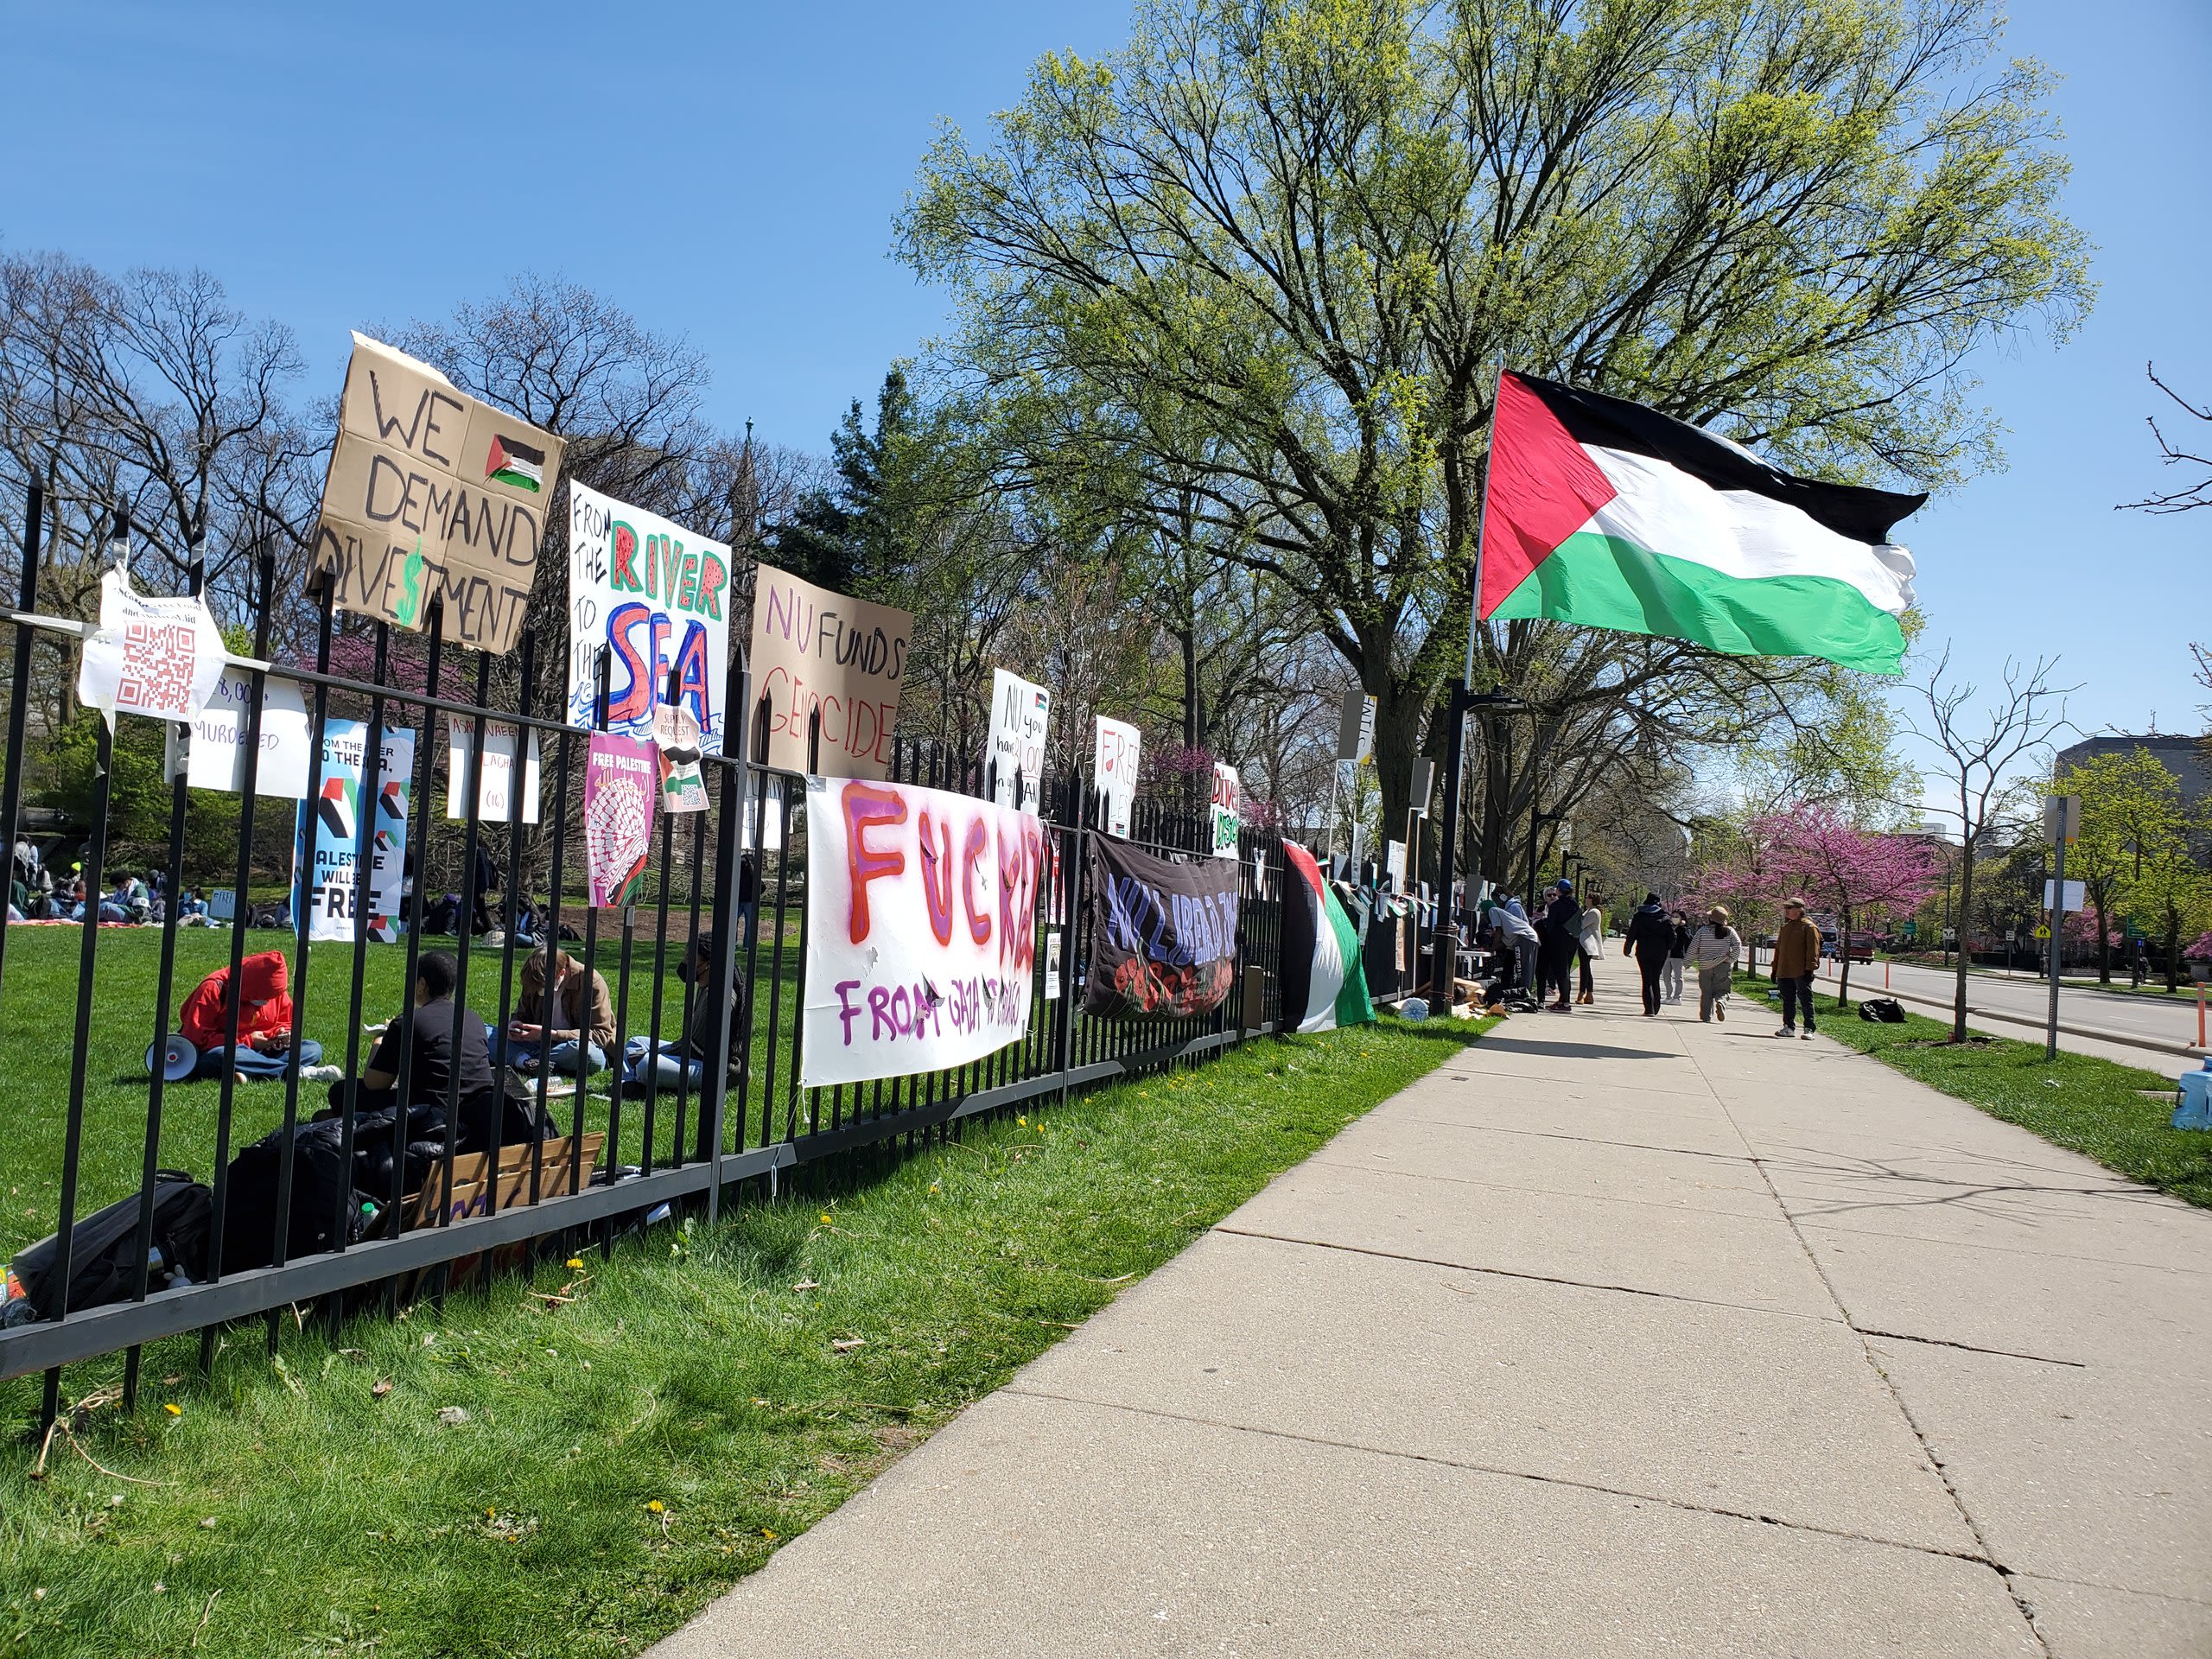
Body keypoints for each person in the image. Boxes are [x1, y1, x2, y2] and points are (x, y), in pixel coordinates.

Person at [329, 950, 498, 1135]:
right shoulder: (473, 1018)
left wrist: (379, 1038)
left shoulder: (408, 1021)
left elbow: (374, 1083)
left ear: (422, 984)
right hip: (476, 1109)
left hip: (429, 1112)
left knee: (341, 1091)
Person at [177, 950, 327, 1080]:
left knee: (313, 1049)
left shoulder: (275, 991)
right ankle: (292, 1072)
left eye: (270, 998)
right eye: (263, 997)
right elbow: (197, 1039)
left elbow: (286, 1021)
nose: (266, 1002)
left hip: (262, 1050)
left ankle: (252, 1070)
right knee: (222, 1057)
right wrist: (249, 1040)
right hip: (225, 1050)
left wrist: (282, 1033)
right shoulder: (213, 988)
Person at [622, 929, 742, 1092]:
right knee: (636, 1042)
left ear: (708, 964)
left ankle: (637, 1081)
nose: (685, 962)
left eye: (690, 958)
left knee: (646, 1064)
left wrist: (655, 1054)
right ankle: (631, 1082)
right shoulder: (706, 986)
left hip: (714, 1069)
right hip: (693, 1055)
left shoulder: (719, 998)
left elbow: (696, 1050)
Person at [492, 946, 615, 1077]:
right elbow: (522, 1015)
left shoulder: (590, 981)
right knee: (482, 1032)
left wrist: (553, 1035)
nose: (538, 992)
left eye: (542, 989)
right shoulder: (534, 979)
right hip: (537, 1043)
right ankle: (530, 1062)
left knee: (585, 1052)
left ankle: (520, 1058)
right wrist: (515, 1025)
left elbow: (602, 1034)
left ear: (561, 974)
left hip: (570, 1046)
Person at [1771, 896, 1821, 1039]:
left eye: (1790, 908)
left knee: (1806, 999)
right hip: (1784, 970)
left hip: (1801, 971)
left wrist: (1809, 969)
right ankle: (1788, 1027)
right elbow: (1779, 951)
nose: (1786, 911)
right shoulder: (1786, 928)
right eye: (1785, 908)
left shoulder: (1809, 927)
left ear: (1799, 909)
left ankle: (1809, 1028)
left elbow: (1813, 950)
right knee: (1788, 1000)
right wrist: (1775, 969)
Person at [1688, 906, 1743, 1022]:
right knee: (1723, 990)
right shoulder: (1729, 931)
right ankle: (1721, 1002)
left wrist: (1688, 962)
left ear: (1711, 918)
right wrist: (1731, 958)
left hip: (1705, 966)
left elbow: (1693, 947)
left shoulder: (1702, 931)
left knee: (1706, 992)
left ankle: (1705, 1016)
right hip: (1722, 964)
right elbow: (1738, 945)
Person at [1624, 892, 1673, 1017]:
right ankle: (1656, 1007)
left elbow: (1632, 933)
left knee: (1646, 980)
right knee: (1655, 978)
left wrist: (1627, 948)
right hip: (1660, 952)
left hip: (1643, 951)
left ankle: (1649, 1009)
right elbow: (1672, 936)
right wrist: (1668, 947)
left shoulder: (1639, 916)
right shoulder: (1665, 917)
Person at [1541, 880, 1581, 1012]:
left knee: (1561, 972)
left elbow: (1550, 926)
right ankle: (1563, 1000)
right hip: (1572, 940)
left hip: (1559, 941)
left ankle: (1565, 1003)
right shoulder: (1575, 905)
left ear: (1559, 890)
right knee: (1566, 970)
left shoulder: (1556, 906)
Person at [1494, 896, 1540, 995]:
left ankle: (1523, 992)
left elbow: (1514, 928)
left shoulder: (1511, 907)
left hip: (1522, 938)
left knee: (1522, 968)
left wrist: (1494, 946)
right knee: (1511, 966)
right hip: (1517, 940)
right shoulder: (1508, 908)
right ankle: (1512, 990)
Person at [1577, 897, 1604, 1005]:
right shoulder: (1589, 911)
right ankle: (1589, 994)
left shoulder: (1593, 912)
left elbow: (1582, 925)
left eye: (1588, 897)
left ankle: (1582, 993)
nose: (1585, 899)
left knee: (1584, 968)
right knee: (1586, 968)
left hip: (1588, 943)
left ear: (1592, 900)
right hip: (1585, 942)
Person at [1663, 911, 1689, 1005]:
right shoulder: (1669, 927)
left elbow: (1688, 940)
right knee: (1666, 976)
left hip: (1677, 956)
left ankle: (1677, 997)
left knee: (1678, 977)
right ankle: (1668, 996)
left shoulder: (1684, 929)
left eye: (1677, 916)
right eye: (1673, 916)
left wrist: (1682, 927)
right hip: (1667, 955)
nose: (1674, 918)